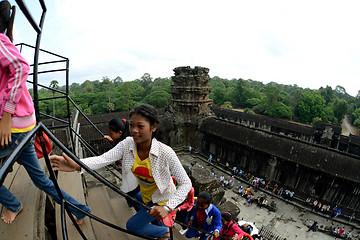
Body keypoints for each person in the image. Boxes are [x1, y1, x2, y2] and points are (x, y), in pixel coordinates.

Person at [0, 1, 91, 225]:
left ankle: (13, 204)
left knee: (38, 177)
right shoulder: (4, 41)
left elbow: (21, 67)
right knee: (40, 179)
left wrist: (6, 115)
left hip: (13, 125)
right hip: (23, 126)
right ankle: (80, 209)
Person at [50, 104, 192, 240]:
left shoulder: (165, 153)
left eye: (140, 126)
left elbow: (186, 183)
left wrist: (167, 208)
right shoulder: (127, 144)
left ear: (153, 127)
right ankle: (161, 227)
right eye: (131, 125)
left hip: (163, 199)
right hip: (146, 195)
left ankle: (164, 232)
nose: (134, 130)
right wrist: (77, 165)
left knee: (132, 226)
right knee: (136, 200)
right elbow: (103, 159)